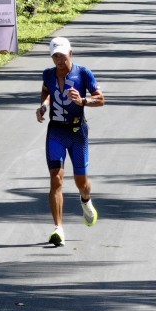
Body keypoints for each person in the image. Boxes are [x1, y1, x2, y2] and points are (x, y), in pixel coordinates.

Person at [36, 36, 105, 247]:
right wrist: (43, 107)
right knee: (56, 180)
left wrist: (82, 100)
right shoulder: (48, 74)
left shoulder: (83, 73)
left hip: (77, 132)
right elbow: (46, 92)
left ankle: (86, 200)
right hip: (56, 131)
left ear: (70, 54)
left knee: (81, 183)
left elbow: (100, 99)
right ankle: (58, 229)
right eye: (55, 56)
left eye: (62, 56)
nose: (58, 60)